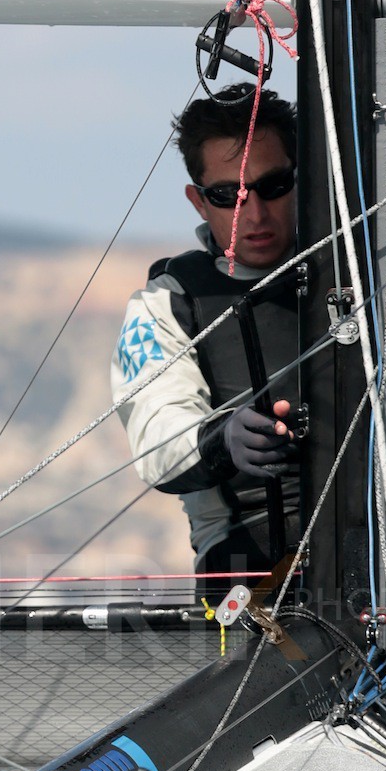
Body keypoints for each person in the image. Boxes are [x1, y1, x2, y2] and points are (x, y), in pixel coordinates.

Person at [111, 83, 301, 579]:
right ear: (198, 201)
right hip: (248, 567)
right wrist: (223, 440)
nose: (255, 214)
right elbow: (157, 438)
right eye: (228, 196)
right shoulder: (166, 303)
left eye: (273, 186)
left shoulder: (361, 265)